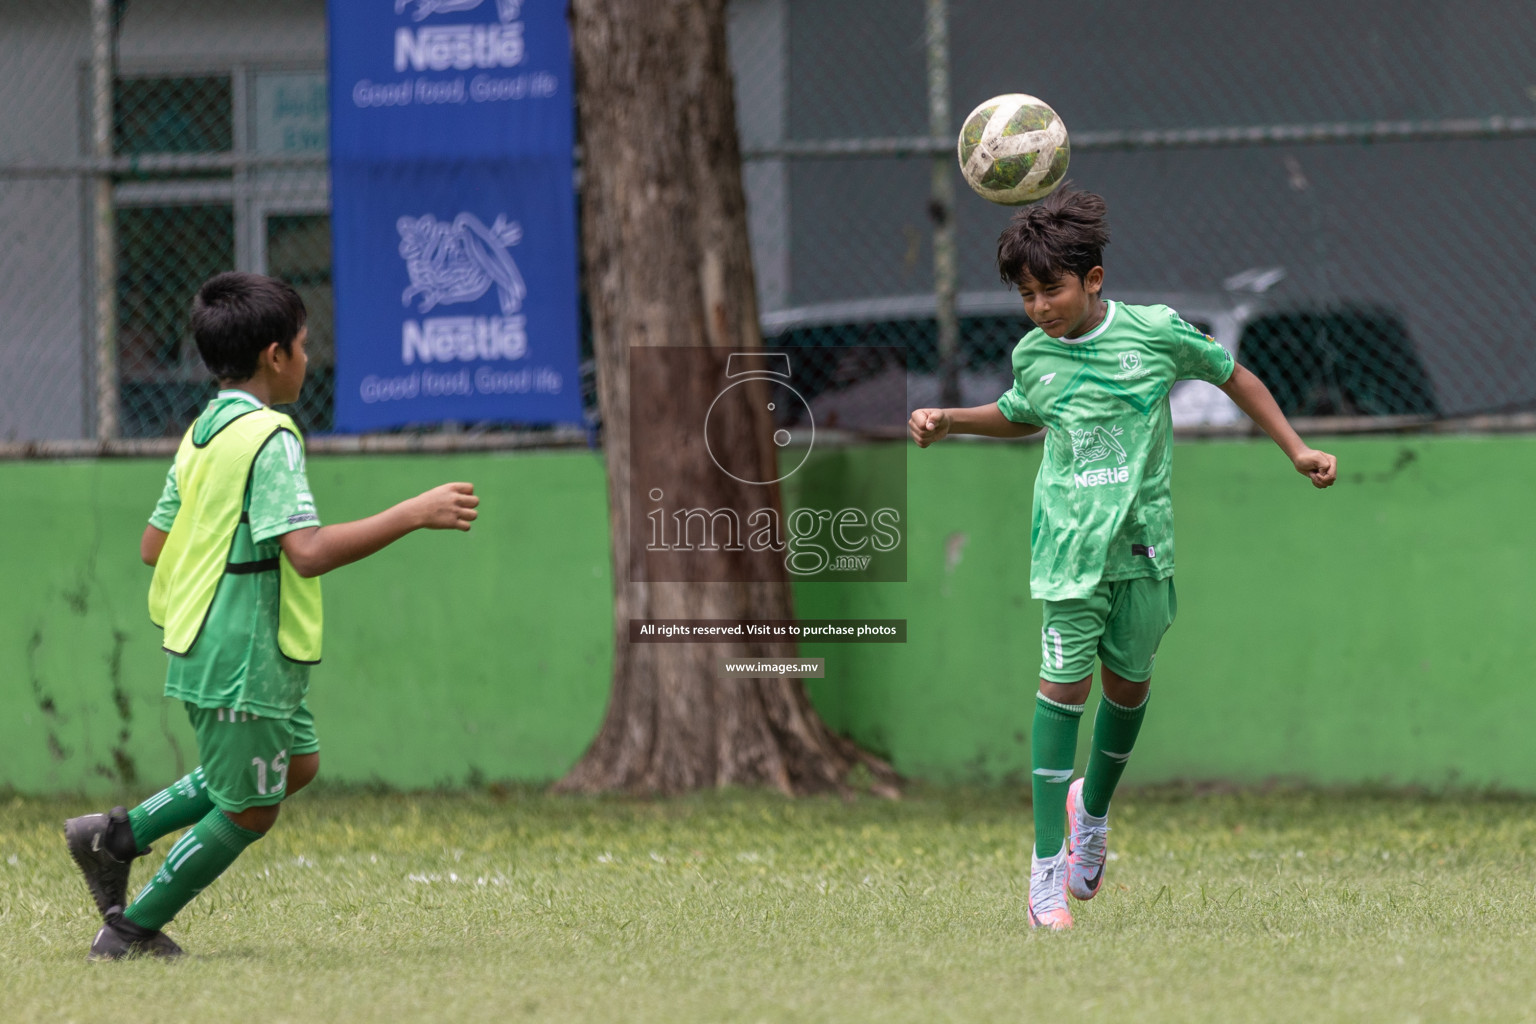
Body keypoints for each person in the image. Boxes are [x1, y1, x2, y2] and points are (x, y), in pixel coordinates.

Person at [907, 187, 1336, 930]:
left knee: (1128, 691)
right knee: (1062, 691)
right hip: (1069, 550)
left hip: (1141, 547)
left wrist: (1296, 449)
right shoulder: (1034, 354)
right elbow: (1020, 414)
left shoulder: (1157, 334)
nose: (1039, 307)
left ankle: (1091, 813)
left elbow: (1234, 375)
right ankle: (1045, 872)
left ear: (1093, 280)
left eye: (1052, 290)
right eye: (1027, 294)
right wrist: (952, 422)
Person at [66, 272, 480, 959]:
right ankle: (130, 931)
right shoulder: (269, 438)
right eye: (305, 346)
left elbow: (153, 546)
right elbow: (308, 553)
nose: (309, 360)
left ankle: (115, 838)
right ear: (274, 355)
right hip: (242, 651)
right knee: (251, 807)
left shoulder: (204, 430)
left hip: (228, 640)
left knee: (296, 764)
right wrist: (414, 513)